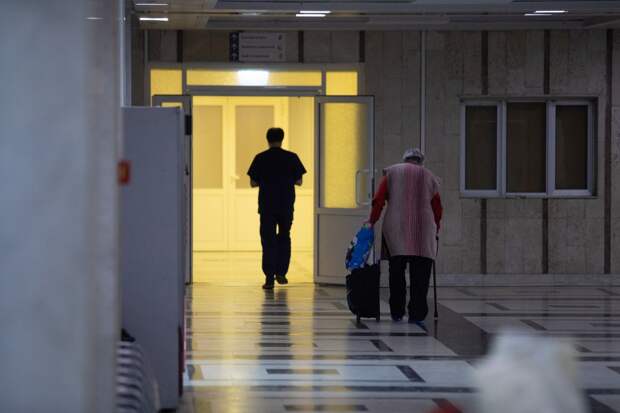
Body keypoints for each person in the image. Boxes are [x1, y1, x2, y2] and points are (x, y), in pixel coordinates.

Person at [367, 148, 443, 328]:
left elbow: (379, 199)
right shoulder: (429, 176)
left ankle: (397, 312)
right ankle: (416, 314)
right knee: (421, 274)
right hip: (423, 229)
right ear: (420, 162)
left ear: (405, 160)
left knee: (396, 272)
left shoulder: (392, 172)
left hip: (396, 228)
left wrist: (372, 220)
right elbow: (437, 206)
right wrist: (436, 227)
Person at [247, 127, 306, 290]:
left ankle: (269, 278)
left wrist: (266, 181)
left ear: (267, 139)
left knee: (268, 240)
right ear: (282, 139)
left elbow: (253, 183)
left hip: (267, 206)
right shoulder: (292, 158)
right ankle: (281, 273)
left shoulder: (260, 158)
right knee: (284, 236)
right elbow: (299, 181)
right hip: (286, 205)